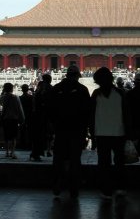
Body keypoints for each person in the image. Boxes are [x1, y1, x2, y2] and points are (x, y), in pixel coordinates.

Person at [45, 65, 91, 199]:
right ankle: (74, 188)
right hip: (76, 131)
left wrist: (54, 124)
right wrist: (85, 129)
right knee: (75, 159)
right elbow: (87, 112)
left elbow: (49, 109)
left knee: (58, 158)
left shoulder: (56, 89)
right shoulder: (82, 90)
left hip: (60, 130)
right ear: (77, 76)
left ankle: (57, 184)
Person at [90, 66, 132, 199]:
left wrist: (91, 132)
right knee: (119, 162)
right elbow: (127, 115)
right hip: (119, 133)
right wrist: (128, 132)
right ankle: (121, 187)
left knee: (104, 163)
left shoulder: (96, 94)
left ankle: (106, 190)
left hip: (102, 133)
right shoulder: (120, 93)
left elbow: (91, 115)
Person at [0, 82, 25, 159]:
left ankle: (6, 152)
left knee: (6, 137)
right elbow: (19, 109)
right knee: (13, 137)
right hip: (14, 119)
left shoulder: (3, 97)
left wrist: (2, 93)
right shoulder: (15, 97)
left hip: (6, 119)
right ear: (12, 89)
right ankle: (12, 152)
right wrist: (22, 119)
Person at [30, 77, 52, 161]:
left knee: (37, 136)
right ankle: (39, 153)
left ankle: (35, 153)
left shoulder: (39, 89)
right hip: (45, 116)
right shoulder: (49, 88)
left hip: (37, 116)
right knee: (45, 135)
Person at [19, 83, 34, 150]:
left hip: (22, 115)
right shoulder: (31, 97)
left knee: (22, 131)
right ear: (28, 89)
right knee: (30, 131)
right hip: (30, 116)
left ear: (22, 90)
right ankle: (30, 145)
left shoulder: (20, 98)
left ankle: (22, 145)